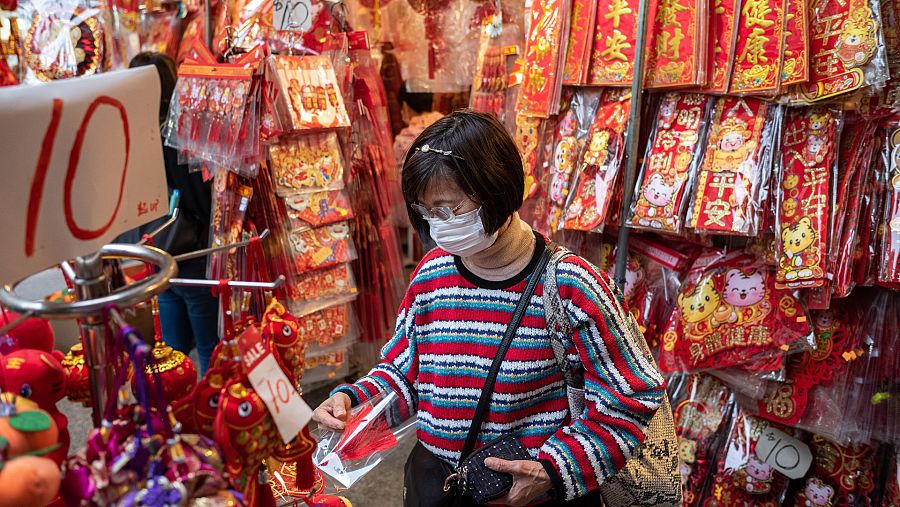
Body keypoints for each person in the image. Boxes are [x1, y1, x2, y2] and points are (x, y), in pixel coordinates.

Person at [313, 111, 667, 506]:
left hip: (531, 495)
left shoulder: (571, 285)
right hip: (440, 486)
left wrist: (553, 470)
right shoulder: (431, 274)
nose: (438, 225)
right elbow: (406, 373)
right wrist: (354, 402)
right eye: (427, 212)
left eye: (449, 209)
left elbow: (632, 395)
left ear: (496, 190)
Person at [125, 52, 219, 374]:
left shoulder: (131, 133)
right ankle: (209, 404)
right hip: (191, 250)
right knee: (208, 347)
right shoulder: (178, 134)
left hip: (155, 250)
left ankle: (175, 402)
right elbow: (199, 199)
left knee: (172, 349)